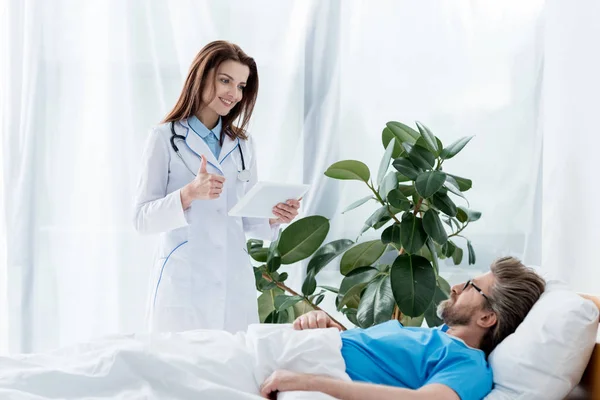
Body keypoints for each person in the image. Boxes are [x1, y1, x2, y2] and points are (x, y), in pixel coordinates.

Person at [133, 40, 300, 334]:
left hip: (233, 280)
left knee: (232, 370)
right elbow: (141, 219)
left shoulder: (243, 144)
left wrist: (274, 216)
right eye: (225, 80)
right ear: (202, 76)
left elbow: (241, 216)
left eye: (241, 86)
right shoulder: (164, 138)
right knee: (180, 371)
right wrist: (189, 194)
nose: (233, 94)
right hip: (185, 282)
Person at [260, 256, 546, 400]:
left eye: (472, 287)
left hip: (297, 373)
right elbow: (372, 358)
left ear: (487, 318)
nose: (457, 287)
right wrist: (329, 328)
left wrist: (303, 381)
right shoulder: (435, 337)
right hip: (294, 349)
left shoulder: (468, 365)